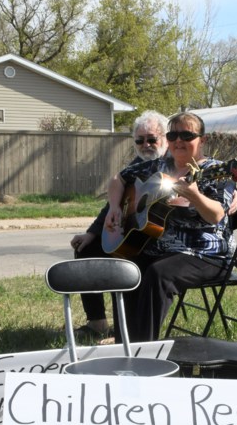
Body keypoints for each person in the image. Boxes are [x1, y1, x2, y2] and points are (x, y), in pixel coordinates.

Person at [105, 112, 237, 342]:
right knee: (124, 270)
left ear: (202, 140)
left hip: (206, 254)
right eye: (173, 134)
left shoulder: (216, 171)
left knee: (158, 274)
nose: (179, 140)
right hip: (160, 249)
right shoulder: (158, 166)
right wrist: (115, 207)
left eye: (187, 135)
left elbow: (216, 215)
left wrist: (194, 196)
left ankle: (144, 348)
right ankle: (123, 343)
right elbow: (119, 178)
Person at [69, 110, 170, 337]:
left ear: (165, 138)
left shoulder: (175, 163)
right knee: (86, 250)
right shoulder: (138, 164)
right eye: (140, 140)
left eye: (152, 139)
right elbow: (114, 200)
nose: (146, 145)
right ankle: (97, 323)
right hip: (136, 234)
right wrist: (92, 233)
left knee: (122, 259)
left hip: (161, 244)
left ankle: (127, 331)